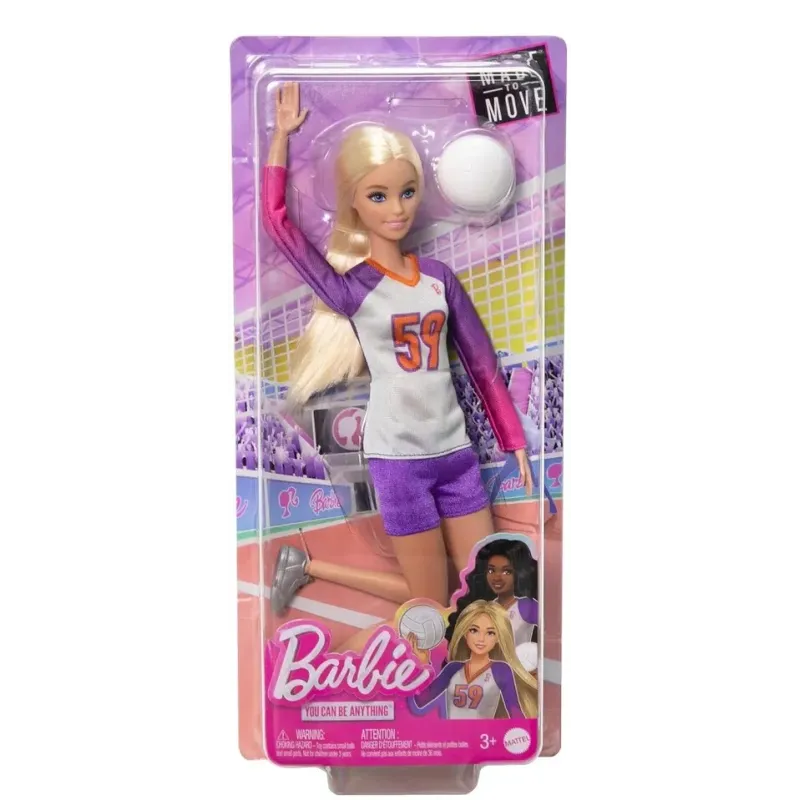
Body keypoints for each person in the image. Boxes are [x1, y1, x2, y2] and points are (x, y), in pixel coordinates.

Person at [263, 82, 530, 614]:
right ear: (354, 201)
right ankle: (310, 568)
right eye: (378, 196)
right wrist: (281, 137)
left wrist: (514, 440)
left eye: (407, 192)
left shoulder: (439, 278)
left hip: (455, 454)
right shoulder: (355, 287)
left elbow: (481, 364)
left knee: (482, 597)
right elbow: (278, 223)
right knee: (430, 601)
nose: (397, 208)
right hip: (399, 460)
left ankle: (307, 567)